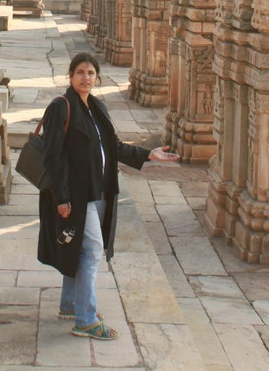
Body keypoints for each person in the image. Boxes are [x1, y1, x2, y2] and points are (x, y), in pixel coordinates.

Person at [36, 51, 179, 340]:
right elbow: (52, 157)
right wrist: (61, 199)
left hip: (98, 191)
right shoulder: (60, 108)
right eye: (80, 73)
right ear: (70, 76)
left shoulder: (96, 107)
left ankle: (70, 304)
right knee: (91, 251)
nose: (85, 78)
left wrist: (147, 155)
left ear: (97, 77)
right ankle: (86, 319)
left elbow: (112, 146)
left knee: (78, 247)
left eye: (90, 73)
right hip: (75, 195)